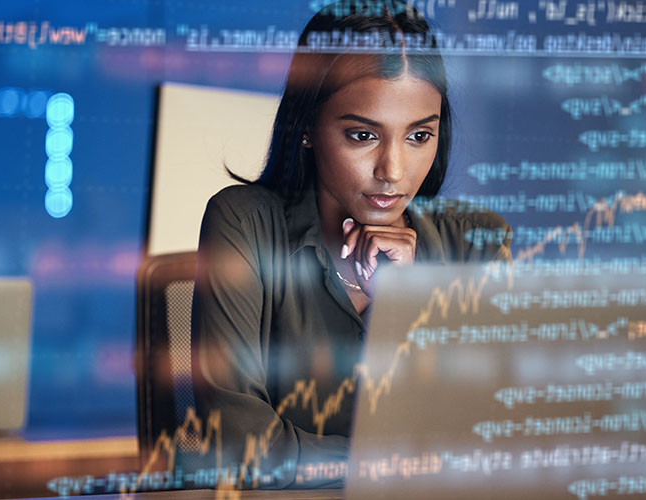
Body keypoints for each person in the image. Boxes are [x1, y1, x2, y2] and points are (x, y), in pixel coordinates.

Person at [189, 0, 512, 489]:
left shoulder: (478, 243)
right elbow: (241, 446)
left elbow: (494, 441)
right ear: (306, 128)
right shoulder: (244, 223)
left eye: (419, 135)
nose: (394, 171)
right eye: (363, 135)